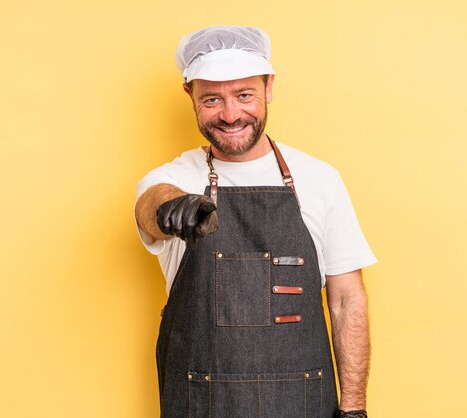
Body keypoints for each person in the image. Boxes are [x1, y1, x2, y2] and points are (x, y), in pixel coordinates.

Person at [135, 26, 377, 418]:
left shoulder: (320, 179)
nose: (231, 115)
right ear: (190, 96)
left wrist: (353, 408)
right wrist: (169, 209)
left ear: (269, 88)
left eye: (244, 95)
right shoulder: (177, 177)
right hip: (202, 403)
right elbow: (150, 204)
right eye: (212, 99)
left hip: (303, 402)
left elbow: (348, 300)